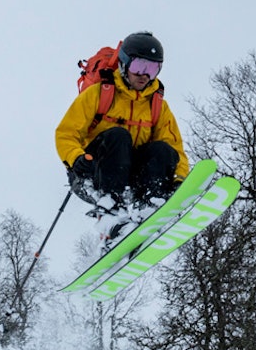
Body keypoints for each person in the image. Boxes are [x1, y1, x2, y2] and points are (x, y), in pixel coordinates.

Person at [54, 31, 190, 242]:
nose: (144, 74)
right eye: (139, 66)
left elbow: (175, 147)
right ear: (124, 64)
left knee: (162, 150)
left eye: (152, 68)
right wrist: (76, 158)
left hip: (131, 178)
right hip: (93, 172)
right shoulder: (100, 93)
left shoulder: (157, 106)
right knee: (119, 136)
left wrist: (179, 179)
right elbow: (66, 133)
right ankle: (111, 217)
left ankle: (149, 207)